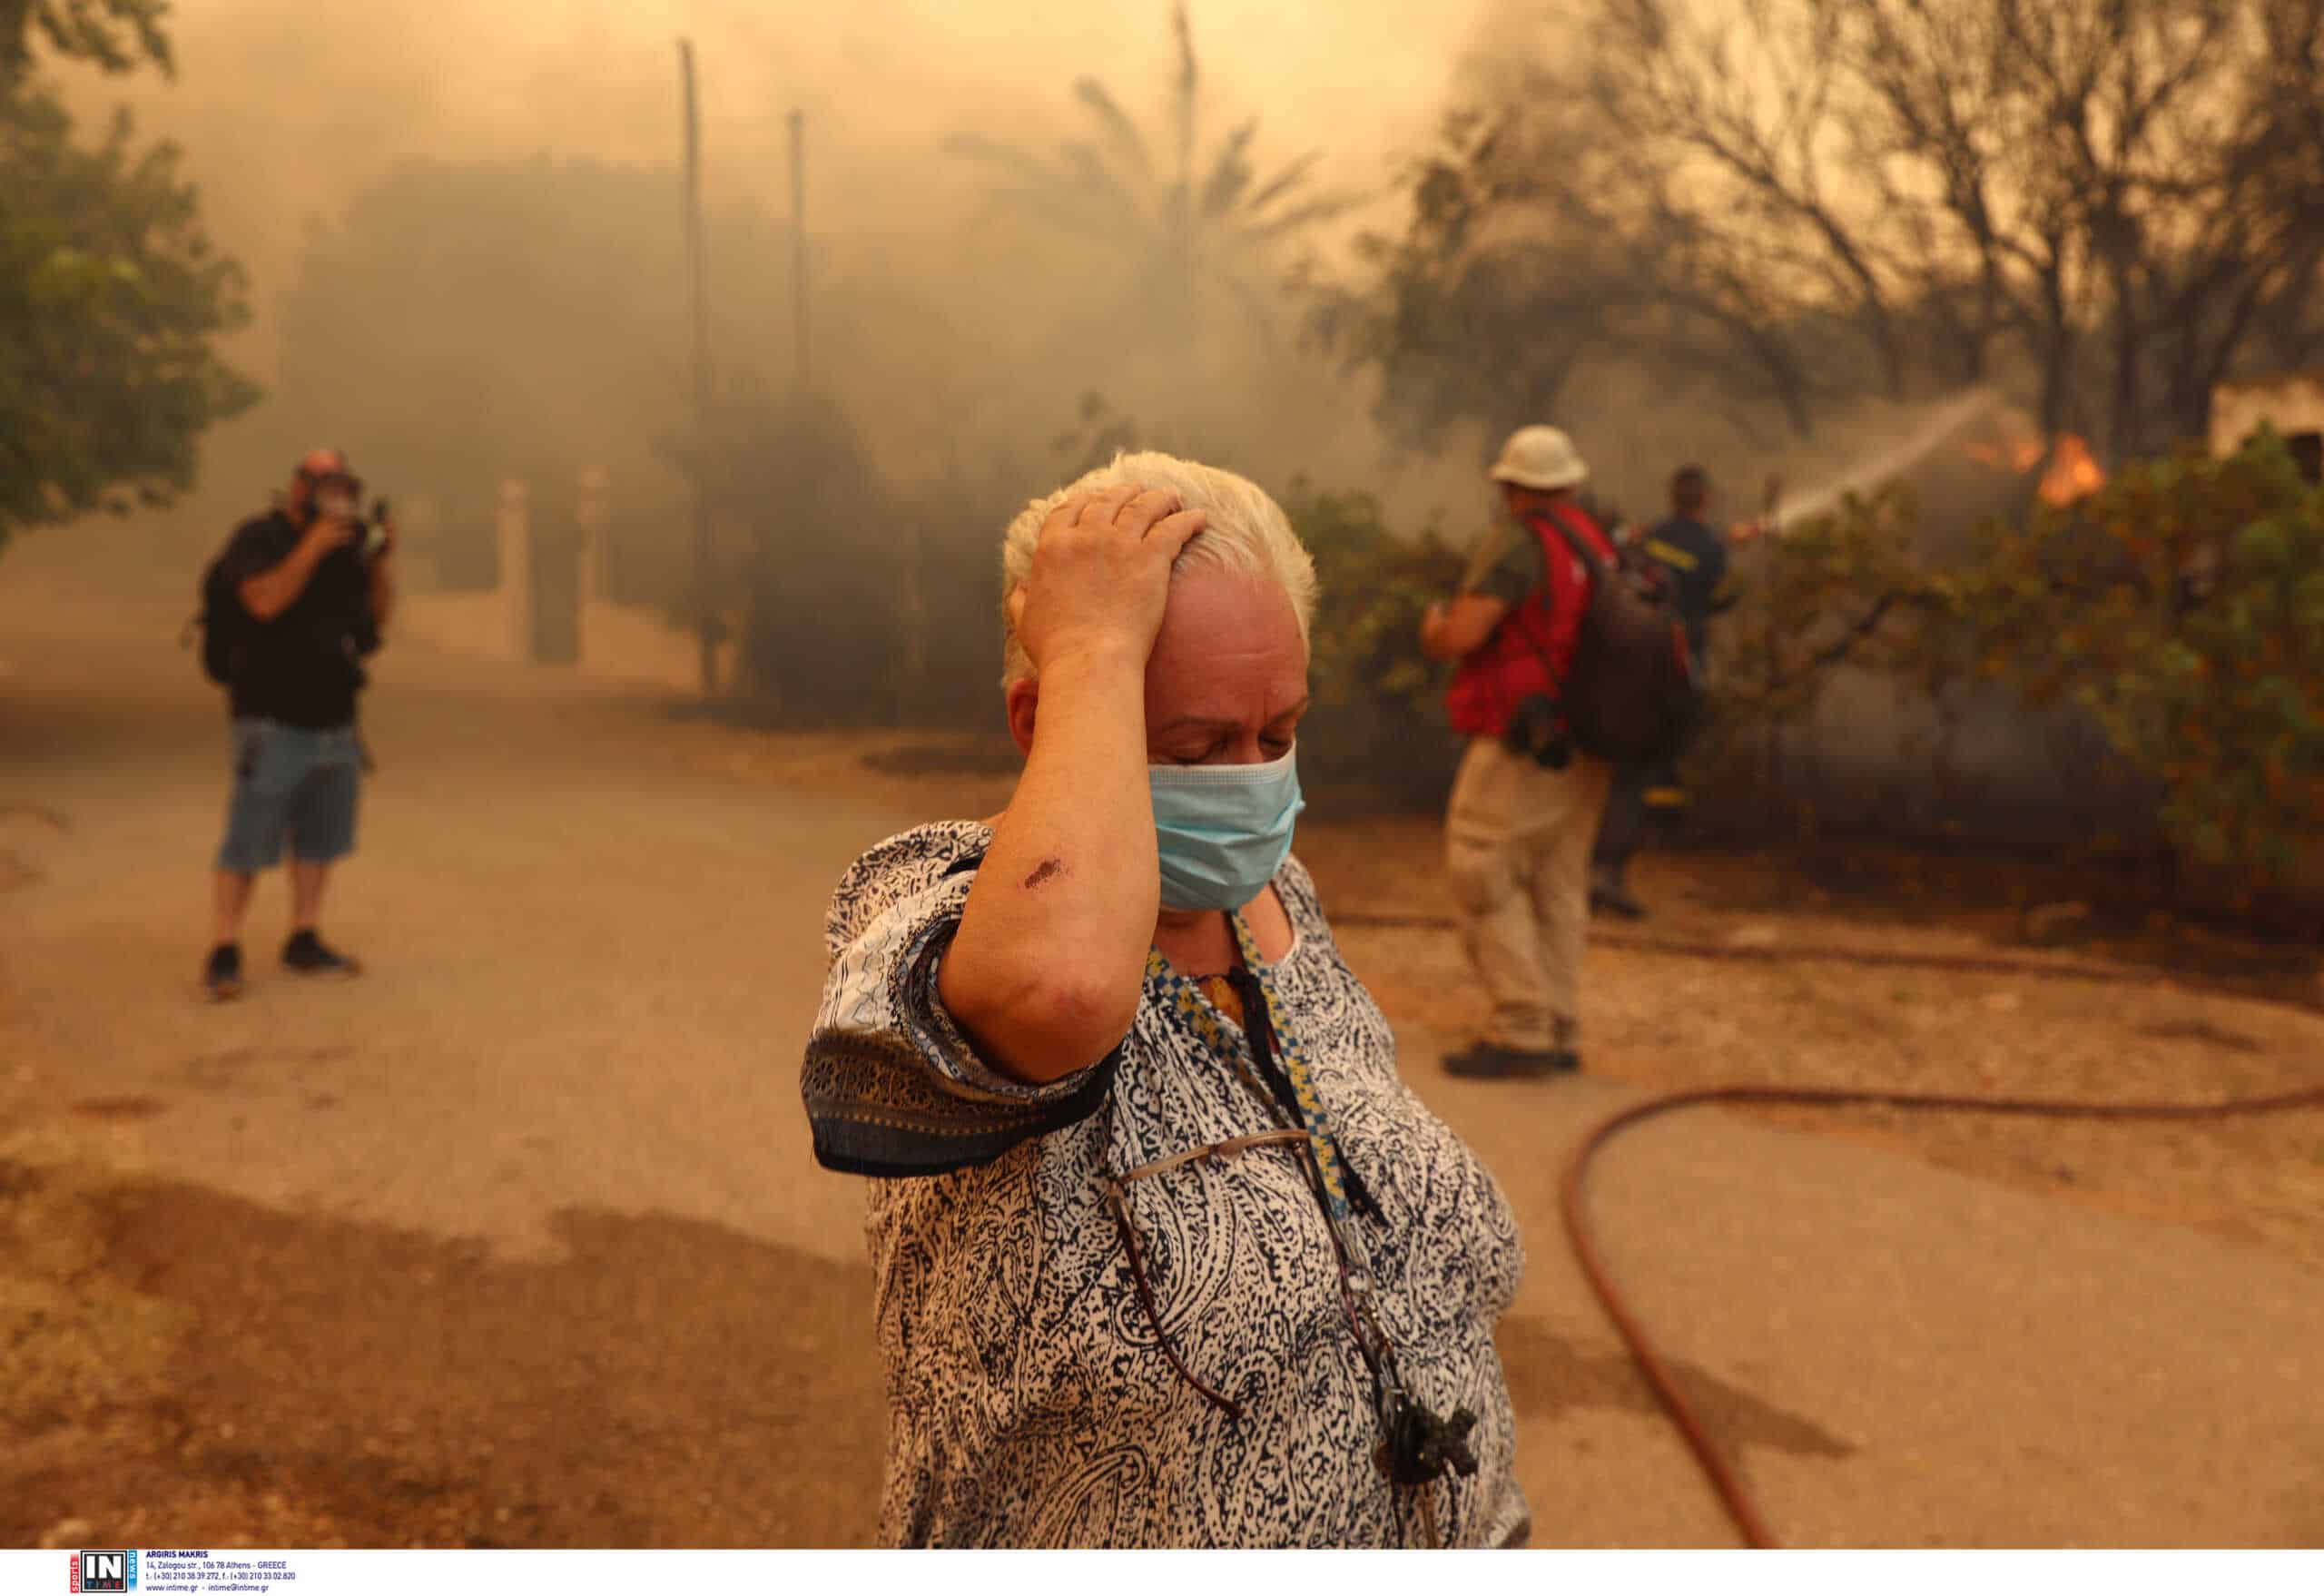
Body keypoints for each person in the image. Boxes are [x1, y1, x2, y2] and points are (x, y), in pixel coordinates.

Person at [799, 454, 1529, 1548]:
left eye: (1277, 736)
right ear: (1042, 719)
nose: (1250, 779)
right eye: (1194, 748)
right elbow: (1059, 993)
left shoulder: (1278, 904)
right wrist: (1093, 642)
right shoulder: (937, 910)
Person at [1418, 425, 1619, 1079]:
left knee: (1482, 861)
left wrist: (1436, 629)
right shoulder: (1596, 541)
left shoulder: (1519, 542)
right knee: (1557, 880)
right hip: (1589, 739)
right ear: (1569, 482)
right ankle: (1558, 1020)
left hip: (1526, 738)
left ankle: (1522, 1026)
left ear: (1510, 486)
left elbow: (1466, 634)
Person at [201, 448, 394, 1000]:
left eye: (345, 490)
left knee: (321, 837)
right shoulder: (258, 538)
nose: (338, 501)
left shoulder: (349, 551)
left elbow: (374, 626)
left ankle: (303, 935)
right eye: (325, 487)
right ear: (298, 489)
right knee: (249, 836)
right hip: (269, 713)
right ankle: (224, 946)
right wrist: (311, 546)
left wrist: (380, 561)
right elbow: (263, 602)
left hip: (335, 715)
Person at [1589, 466, 1756, 919]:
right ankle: (1615, 864)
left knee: (1617, 763)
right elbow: (1721, 593)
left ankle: (1604, 861)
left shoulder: (1651, 535)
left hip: (1625, 659)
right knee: (1650, 761)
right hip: (1675, 663)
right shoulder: (1711, 546)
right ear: (1705, 499)